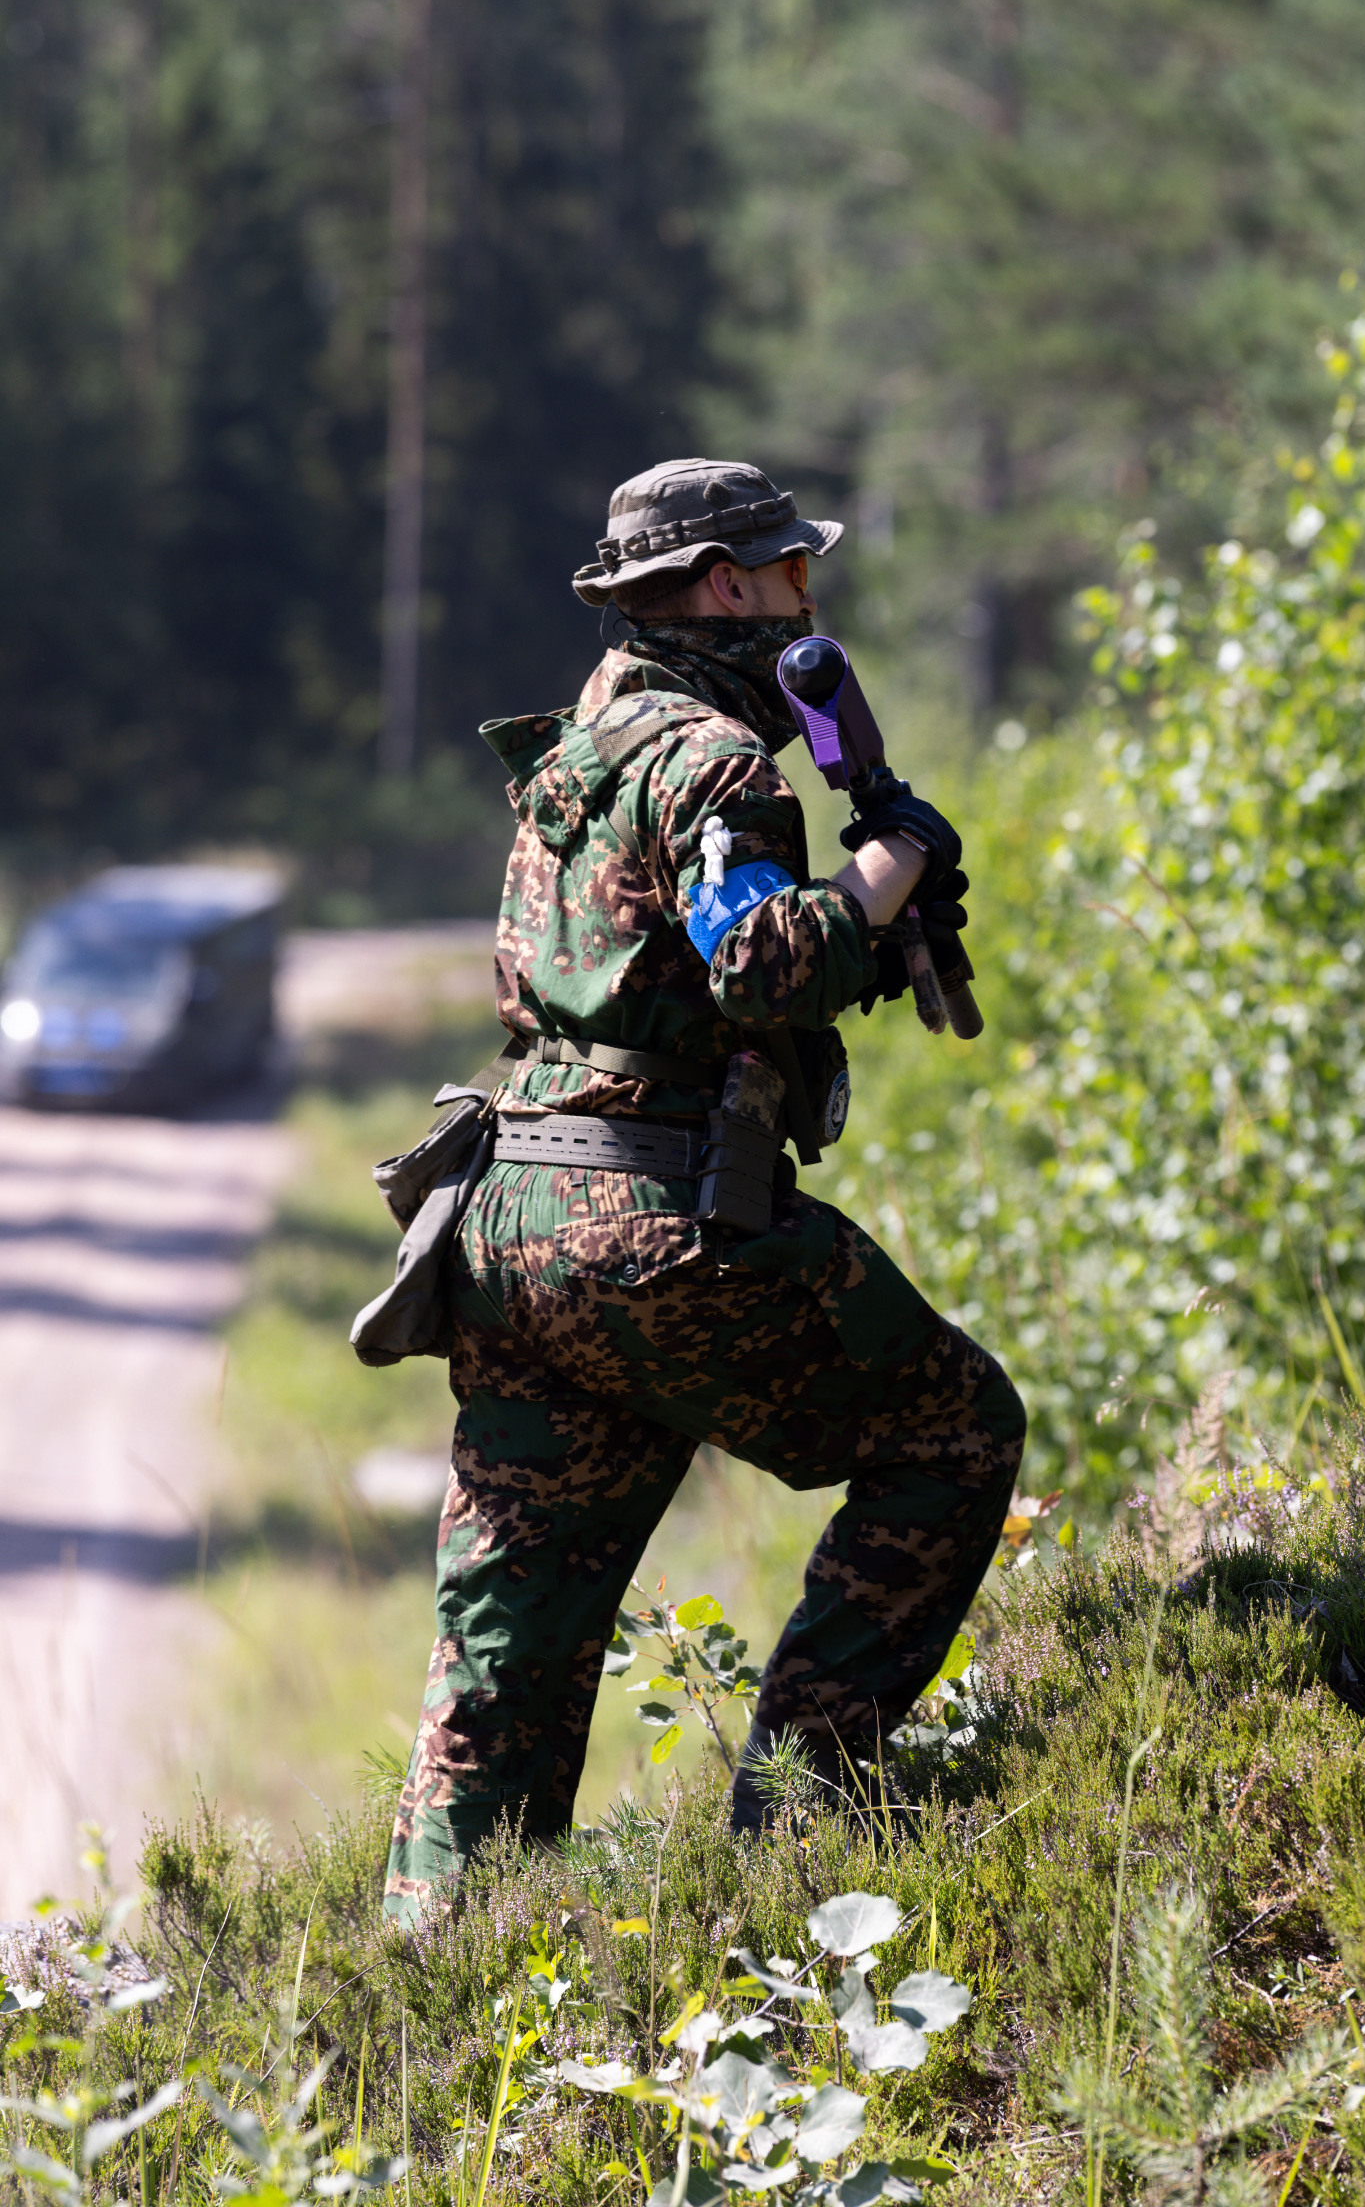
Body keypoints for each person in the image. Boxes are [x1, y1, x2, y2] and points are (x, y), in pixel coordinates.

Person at [383, 456, 1026, 1924]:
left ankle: (429, 1968)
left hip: (507, 1222)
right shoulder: (718, 762)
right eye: (791, 568)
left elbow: (633, 972)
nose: (809, 590)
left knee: (509, 1640)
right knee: (954, 1428)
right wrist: (890, 864)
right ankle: (798, 1842)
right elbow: (760, 964)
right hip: (646, 1221)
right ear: (728, 587)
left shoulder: (576, 751)